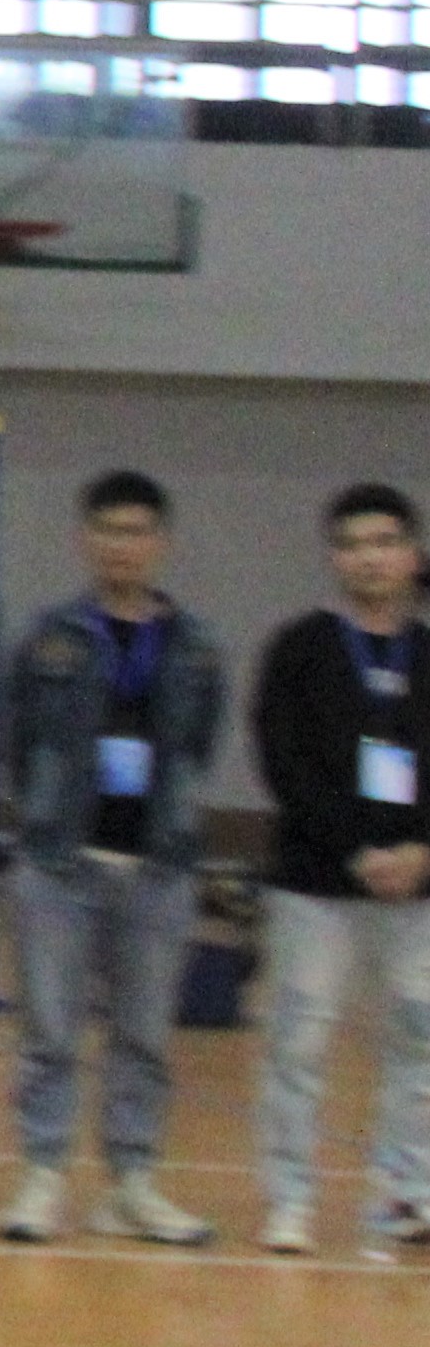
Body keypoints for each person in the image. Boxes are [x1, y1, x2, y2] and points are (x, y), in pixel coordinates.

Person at [0, 471, 228, 1248]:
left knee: (145, 1036)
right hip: (60, 864)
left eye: (136, 532)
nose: (121, 546)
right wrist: (41, 815)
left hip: (158, 867)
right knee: (50, 1030)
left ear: (160, 543)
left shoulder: (196, 647)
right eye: (107, 530)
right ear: (84, 539)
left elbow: (200, 746)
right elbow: (14, 736)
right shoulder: (49, 638)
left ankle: (132, 1182)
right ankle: (42, 1175)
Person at [251, 482, 430, 1261]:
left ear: (413, 555)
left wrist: (421, 851)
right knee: (298, 1041)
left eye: (385, 542)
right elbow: (284, 761)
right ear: (334, 558)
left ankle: (405, 1195)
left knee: (419, 1043)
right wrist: (355, 849)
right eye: (353, 545)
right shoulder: (301, 648)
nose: (370, 559)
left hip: (419, 888)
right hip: (316, 882)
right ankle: (290, 1197)